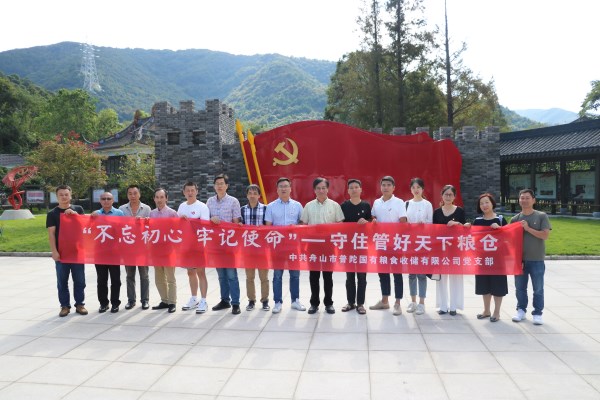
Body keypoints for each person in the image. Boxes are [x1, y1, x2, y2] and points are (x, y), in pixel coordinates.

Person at [301, 177, 345, 314]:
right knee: (313, 276)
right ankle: (314, 303)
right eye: (318, 188)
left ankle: (329, 303)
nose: (321, 190)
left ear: (327, 189)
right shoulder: (308, 206)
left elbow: (340, 225)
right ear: (314, 190)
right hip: (313, 245)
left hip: (329, 245)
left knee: (328, 276)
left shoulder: (335, 205)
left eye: (323, 188)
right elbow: (303, 226)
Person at [510, 189, 551, 325]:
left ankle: (537, 313)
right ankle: (521, 310)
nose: (524, 200)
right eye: (522, 198)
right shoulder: (515, 219)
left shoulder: (541, 216)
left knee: (538, 289)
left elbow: (545, 235)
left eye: (527, 198)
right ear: (519, 200)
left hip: (537, 260)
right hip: (520, 261)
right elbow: (510, 241)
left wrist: (527, 229)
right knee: (520, 288)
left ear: (533, 200)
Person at [265, 177, 306, 314]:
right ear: (277, 190)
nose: (283, 188)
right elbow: (268, 227)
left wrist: (296, 227)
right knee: (277, 275)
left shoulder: (297, 205)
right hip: (277, 246)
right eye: (281, 186)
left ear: (290, 189)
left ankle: (295, 300)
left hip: (293, 245)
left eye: (286, 186)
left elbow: (303, 223)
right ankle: (277, 302)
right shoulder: (271, 206)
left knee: (295, 274)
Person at [46, 185, 87, 317]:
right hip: (62, 253)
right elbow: (51, 234)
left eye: (66, 194)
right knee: (62, 281)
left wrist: (75, 215)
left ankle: (80, 304)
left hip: (77, 252)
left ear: (70, 195)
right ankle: (64, 306)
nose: (64, 197)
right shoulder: (52, 214)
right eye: (61, 195)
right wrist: (54, 251)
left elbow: (85, 227)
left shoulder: (78, 209)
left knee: (80, 280)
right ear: (57, 196)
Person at [370, 176, 407, 316]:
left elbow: (403, 221)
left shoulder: (399, 202)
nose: (385, 187)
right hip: (381, 243)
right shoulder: (376, 202)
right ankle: (384, 301)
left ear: (393, 187)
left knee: (397, 274)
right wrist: (373, 221)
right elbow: (373, 218)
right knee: (383, 272)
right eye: (383, 185)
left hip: (396, 243)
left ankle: (397, 303)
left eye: (388, 185)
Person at [206, 174, 242, 315]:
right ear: (214, 186)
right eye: (217, 184)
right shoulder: (210, 201)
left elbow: (236, 222)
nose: (219, 186)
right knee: (221, 275)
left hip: (229, 243)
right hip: (215, 244)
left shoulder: (233, 201)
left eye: (222, 183)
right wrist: (211, 219)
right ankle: (225, 300)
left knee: (231, 274)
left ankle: (235, 303)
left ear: (227, 186)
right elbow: (204, 220)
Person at [472, 193, 508, 322]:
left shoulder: (500, 219)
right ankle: (486, 310)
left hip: (498, 259)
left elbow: (509, 237)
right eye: (481, 203)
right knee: (484, 285)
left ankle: (496, 312)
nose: (484, 205)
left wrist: (500, 229)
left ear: (492, 203)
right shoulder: (477, 221)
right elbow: (472, 239)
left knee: (498, 285)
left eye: (487, 202)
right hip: (482, 259)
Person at [433, 184, 468, 316]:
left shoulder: (460, 211)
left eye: (450, 195)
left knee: (455, 278)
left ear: (454, 196)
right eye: (446, 194)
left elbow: (465, 229)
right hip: (441, 249)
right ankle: (443, 306)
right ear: (442, 196)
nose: (448, 197)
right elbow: (433, 231)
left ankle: (454, 306)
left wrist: (457, 224)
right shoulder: (436, 212)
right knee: (442, 279)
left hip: (455, 249)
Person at [177, 181, 210, 314]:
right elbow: (177, 225)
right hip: (186, 245)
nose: (190, 193)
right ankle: (194, 298)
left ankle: (204, 300)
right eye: (187, 191)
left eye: (192, 190)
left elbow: (205, 225)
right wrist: (181, 220)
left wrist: (190, 221)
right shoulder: (181, 206)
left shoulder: (202, 207)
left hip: (199, 244)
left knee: (201, 272)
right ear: (184, 192)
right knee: (190, 272)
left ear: (197, 191)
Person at [340, 179, 372, 315]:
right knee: (349, 276)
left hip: (362, 245)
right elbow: (340, 224)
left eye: (356, 187)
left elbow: (371, 222)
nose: (354, 189)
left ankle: (360, 304)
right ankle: (350, 302)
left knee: (362, 276)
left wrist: (367, 222)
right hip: (348, 246)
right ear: (348, 191)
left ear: (360, 189)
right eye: (351, 188)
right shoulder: (343, 206)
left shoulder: (366, 205)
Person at [119, 184, 152, 310]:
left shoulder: (147, 209)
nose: (133, 196)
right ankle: (131, 300)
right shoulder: (122, 209)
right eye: (130, 193)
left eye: (135, 193)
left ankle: (145, 300)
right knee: (129, 276)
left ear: (139, 194)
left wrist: (144, 221)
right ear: (127, 195)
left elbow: (152, 227)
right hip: (128, 248)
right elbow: (118, 227)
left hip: (142, 248)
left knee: (144, 275)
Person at [92, 192, 124, 313]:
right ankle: (103, 303)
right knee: (101, 280)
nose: (106, 201)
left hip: (114, 252)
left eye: (108, 198)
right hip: (99, 252)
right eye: (104, 199)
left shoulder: (119, 213)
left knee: (116, 280)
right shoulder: (95, 214)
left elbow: (125, 230)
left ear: (113, 200)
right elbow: (89, 230)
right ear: (100, 201)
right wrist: (91, 219)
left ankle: (115, 303)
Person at [405, 177, 433, 315]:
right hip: (410, 242)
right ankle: (413, 301)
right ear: (410, 189)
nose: (416, 190)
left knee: (421, 274)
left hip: (423, 242)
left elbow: (431, 223)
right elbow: (403, 223)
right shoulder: (406, 204)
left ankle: (422, 303)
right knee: (411, 274)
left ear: (422, 189)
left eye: (418, 187)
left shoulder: (427, 204)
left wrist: (424, 225)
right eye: (413, 187)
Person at [240, 184, 270, 311]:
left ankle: (265, 301)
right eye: (250, 193)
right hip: (248, 248)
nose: (252, 195)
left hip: (262, 248)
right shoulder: (242, 210)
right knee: (249, 277)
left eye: (255, 193)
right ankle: (251, 300)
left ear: (259, 195)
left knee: (264, 277)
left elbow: (269, 226)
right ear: (247, 195)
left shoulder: (266, 209)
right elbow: (238, 226)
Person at [149, 188, 179, 313]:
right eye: (157, 197)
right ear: (154, 199)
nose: (159, 200)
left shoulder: (172, 213)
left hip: (169, 250)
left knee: (170, 278)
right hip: (156, 250)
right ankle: (165, 300)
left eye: (162, 197)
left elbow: (178, 231)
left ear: (166, 198)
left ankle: (172, 302)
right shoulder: (152, 214)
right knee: (159, 278)